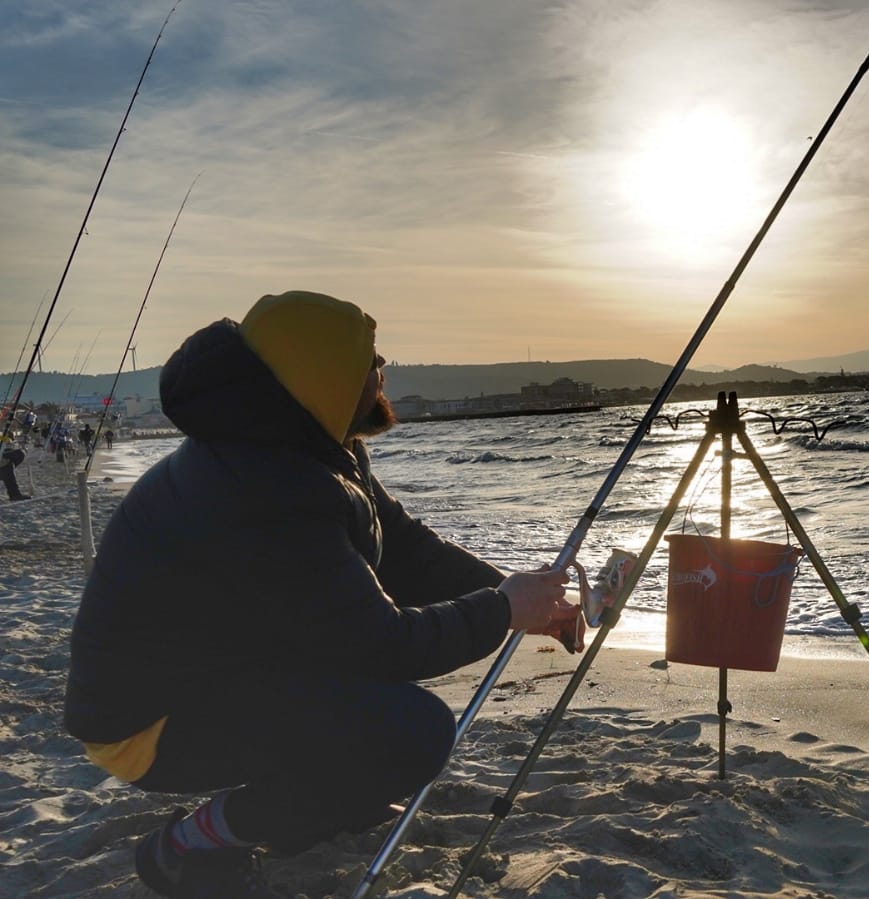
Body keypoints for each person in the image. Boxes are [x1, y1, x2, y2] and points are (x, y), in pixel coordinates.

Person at [63, 291, 580, 899]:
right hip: (147, 723)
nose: (384, 369)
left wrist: (520, 596)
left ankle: (327, 801)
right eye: (372, 360)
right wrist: (502, 610)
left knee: (368, 709)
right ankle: (193, 841)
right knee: (410, 733)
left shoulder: (302, 444)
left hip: (214, 669)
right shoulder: (263, 486)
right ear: (324, 374)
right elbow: (383, 648)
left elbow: (408, 549)